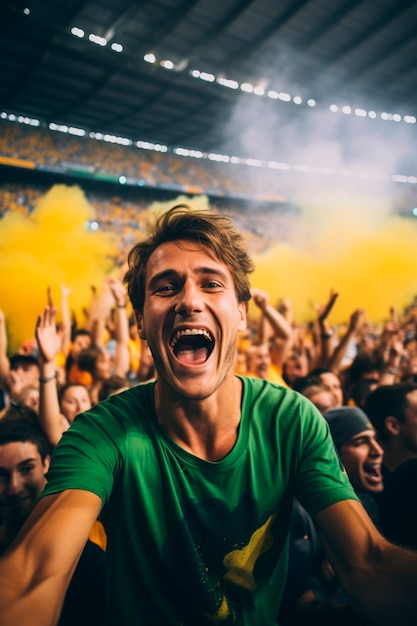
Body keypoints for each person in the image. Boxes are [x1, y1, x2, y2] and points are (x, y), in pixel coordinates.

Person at [1, 204, 417, 626]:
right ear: (141, 322)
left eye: (211, 283)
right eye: (165, 287)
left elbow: (365, 564)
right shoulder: (102, 434)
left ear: (241, 313)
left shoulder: (290, 421)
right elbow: (36, 572)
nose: (189, 301)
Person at [279, 406, 384, 625]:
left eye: (374, 439)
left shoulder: (368, 502)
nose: (377, 450)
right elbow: (299, 607)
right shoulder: (298, 514)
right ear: (331, 453)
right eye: (360, 442)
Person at [0, 414, 106, 626]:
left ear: (47, 464)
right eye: (1, 474)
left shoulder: (85, 559)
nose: (14, 487)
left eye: (26, 469)